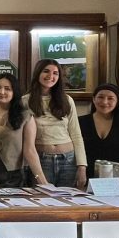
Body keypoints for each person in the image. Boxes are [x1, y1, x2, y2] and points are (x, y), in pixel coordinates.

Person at [25, 60, 88, 189]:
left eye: (55, 73)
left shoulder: (67, 100)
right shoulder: (25, 101)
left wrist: (82, 166)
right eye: (46, 71)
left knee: (67, 203)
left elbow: (76, 134)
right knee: (43, 203)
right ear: (37, 73)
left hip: (69, 160)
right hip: (41, 160)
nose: (51, 76)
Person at [79, 83, 119, 178]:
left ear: (117, 101)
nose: (104, 102)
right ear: (93, 99)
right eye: (100, 97)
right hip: (86, 176)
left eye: (110, 98)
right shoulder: (81, 121)